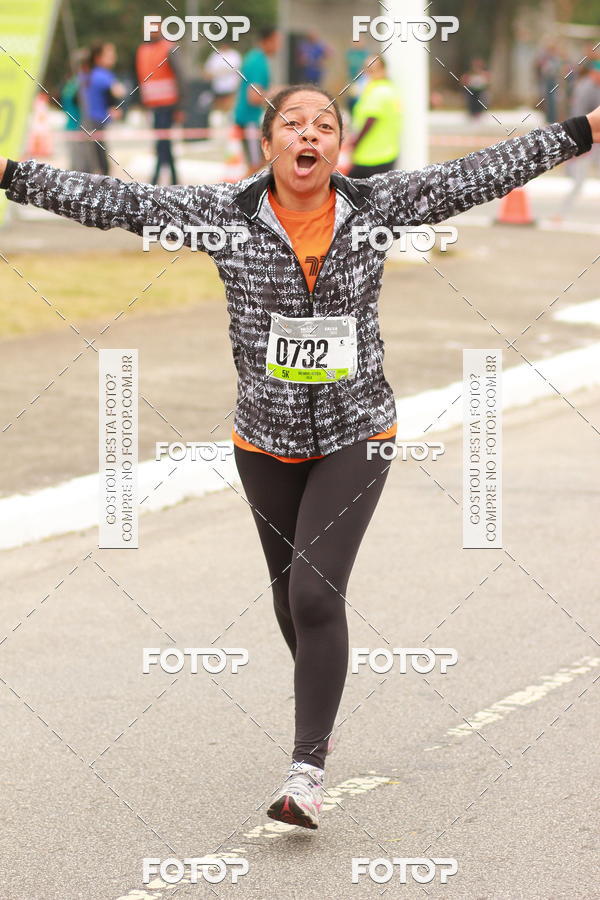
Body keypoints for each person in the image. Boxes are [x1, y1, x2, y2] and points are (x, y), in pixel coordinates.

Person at [0, 86, 597, 830]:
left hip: (358, 431)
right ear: (267, 144)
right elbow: (117, 201)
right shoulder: (225, 216)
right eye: (292, 124)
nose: (308, 134)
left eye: (324, 125)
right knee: (291, 601)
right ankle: (323, 702)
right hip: (264, 441)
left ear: (337, 147)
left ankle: (306, 769)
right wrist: (9, 175)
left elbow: (476, 173)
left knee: (315, 595)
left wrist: (580, 129)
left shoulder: (374, 209)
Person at [135, 26, 186, 185]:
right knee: (163, 143)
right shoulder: (142, 50)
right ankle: (172, 178)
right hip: (153, 105)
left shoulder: (169, 48)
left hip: (168, 104)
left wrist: (180, 106)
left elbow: (181, 76)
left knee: (162, 142)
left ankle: (157, 179)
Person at [553, 60, 600, 222]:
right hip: (588, 138)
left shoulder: (593, 86)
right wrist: (581, 143)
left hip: (594, 139)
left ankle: (562, 212)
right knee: (579, 180)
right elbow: (580, 117)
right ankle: (561, 212)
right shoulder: (585, 88)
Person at [233, 27, 281, 176]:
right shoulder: (258, 62)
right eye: (277, 41)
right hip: (249, 120)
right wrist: (277, 97)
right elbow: (254, 97)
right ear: (269, 41)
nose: (279, 46)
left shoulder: (255, 58)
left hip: (250, 119)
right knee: (255, 165)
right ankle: (235, 197)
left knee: (262, 163)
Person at [348, 55, 402, 178]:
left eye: (373, 69)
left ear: (383, 70)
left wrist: (355, 142)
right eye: (367, 69)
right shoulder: (388, 88)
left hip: (370, 157)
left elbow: (370, 120)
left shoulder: (379, 92)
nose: (368, 73)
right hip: (386, 153)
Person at [83, 42, 126, 175]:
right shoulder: (102, 75)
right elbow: (120, 91)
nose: (113, 57)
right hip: (95, 122)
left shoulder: (87, 74)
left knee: (91, 162)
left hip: (85, 122)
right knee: (101, 164)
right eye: (109, 54)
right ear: (98, 57)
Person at [60, 47, 96, 173]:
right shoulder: (80, 83)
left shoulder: (70, 83)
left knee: (77, 165)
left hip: (72, 127)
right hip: (78, 127)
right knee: (80, 167)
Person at [203, 42, 242, 116]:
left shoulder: (234, 55)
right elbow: (206, 74)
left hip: (231, 91)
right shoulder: (215, 56)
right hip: (218, 91)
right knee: (218, 114)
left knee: (230, 113)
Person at [345, 36, 369, 114]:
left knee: (359, 98)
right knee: (351, 98)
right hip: (352, 79)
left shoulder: (365, 54)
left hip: (362, 79)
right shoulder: (350, 53)